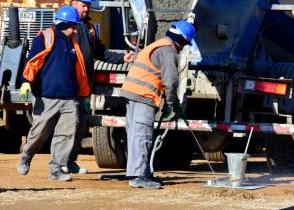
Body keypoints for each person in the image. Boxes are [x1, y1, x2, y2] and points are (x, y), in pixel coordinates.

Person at [119, 20, 195, 189]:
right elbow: (170, 81)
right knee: (142, 135)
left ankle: (141, 172)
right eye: (185, 43)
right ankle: (138, 176)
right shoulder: (168, 51)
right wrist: (173, 103)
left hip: (132, 93)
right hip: (142, 95)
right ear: (182, 39)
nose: (183, 48)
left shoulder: (157, 44)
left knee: (135, 135)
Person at [17, 6, 90, 181]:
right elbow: (33, 61)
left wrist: (83, 95)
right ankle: (26, 156)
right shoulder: (46, 37)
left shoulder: (73, 43)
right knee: (39, 133)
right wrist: (26, 82)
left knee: (66, 134)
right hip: (46, 97)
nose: (75, 29)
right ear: (64, 24)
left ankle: (56, 169)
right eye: (73, 26)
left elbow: (79, 71)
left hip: (70, 98)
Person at [63, 0, 135, 174]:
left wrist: (121, 59)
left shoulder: (89, 27)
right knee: (67, 126)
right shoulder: (65, 29)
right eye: (83, 5)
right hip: (67, 85)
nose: (86, 8)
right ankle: (58, 163)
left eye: (88, 5)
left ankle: (70, 162)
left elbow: (100, 52)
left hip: (83, 86)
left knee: (79, 125)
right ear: (73, 4)